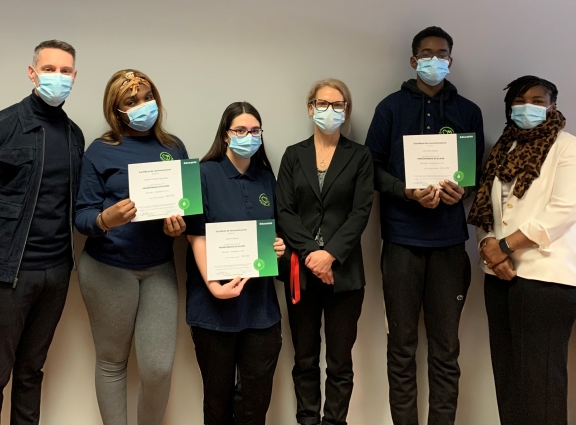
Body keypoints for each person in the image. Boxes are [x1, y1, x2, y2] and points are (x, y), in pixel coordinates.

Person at [365, 26, 484, 425]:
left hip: (451, 244)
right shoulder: (390, 109)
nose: (436, 60)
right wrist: (406, 191)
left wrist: (461, 192)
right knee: (400, 346)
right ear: (414, 60)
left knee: (446, 348)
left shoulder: (468, 111)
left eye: (443, 53)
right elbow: (372, 171)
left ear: (451, 59)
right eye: (427, 53)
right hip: (401, 242)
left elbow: (475, 176)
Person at [75, 70, 187, 425]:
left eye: (147, 97)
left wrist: (177, 229)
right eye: (131, 101)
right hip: (108, 268)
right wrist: (105, 219)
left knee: (157, 369)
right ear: (117, 111)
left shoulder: (174, 148)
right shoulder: (99, 151)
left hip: (158, 268)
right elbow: (82, 216)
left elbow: (185, 208)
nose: (143, 105)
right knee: (112, 362)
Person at [468, 76, 576, 425]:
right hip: (499, 277)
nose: (527, 107)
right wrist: (488, 243)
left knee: (541, 380)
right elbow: (489, 206)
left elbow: (564, 210)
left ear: (552, 105)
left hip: (546, 278)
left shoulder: (567, 147)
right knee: (509, 375)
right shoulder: (503, 149)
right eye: (519, 100)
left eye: (537, 100)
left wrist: (503, 247)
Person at [276, 78, 374, 425]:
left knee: (339, 362)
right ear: (310, 108)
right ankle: (307, 420)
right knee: (304, 358)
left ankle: (335, 421)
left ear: (346, 111)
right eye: (322, 103)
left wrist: (329, 254)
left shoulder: (360, 156)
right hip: (300, 272)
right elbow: (284, 211)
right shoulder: (293, 155)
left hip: (344, 274)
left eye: (337, 105)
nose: (329, 111)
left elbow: (361, 211)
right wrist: (311, 255)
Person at [184, 102, 285, 425]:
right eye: (240, 130)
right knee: (217, 403)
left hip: (261, 311)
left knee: (255, 405)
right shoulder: (200, 173)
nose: (248, 136)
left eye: (254, 131)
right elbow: (194, 236)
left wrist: (278, 247)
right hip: (213, 309)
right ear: (225, 136)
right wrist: (214, 286)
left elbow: (272, 234)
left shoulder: (267, 178)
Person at [0, 40, 84, 425]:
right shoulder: (5, 125)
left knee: (32, 372)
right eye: (49, 69)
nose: (58, 77)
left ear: (74, 77)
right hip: (10, 273)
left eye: (65, 71)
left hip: (57, 272)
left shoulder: (74, 136)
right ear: (32, 73)